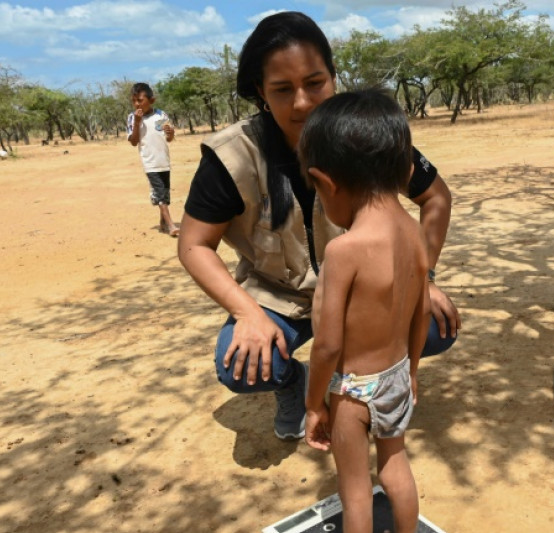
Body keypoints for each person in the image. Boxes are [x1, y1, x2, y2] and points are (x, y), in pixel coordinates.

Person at [177, 11, 460, 441]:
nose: (304, 102)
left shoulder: (368, 136)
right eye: (282, 90)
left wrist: (423, 275)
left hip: (359, 290)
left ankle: (353, 389)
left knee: (436, 327)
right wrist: (247, 313)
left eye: (315, 83)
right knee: (240, 365)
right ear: (261, 93)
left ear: (333, 76)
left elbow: (435, 196)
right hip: (277, 296)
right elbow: (194, 245)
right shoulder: (232, 157)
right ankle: (296, 383)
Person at [300, 90, 427, 533]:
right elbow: (422, 312)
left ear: (326, 182)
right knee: (395, 464)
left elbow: (329, 344)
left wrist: (314, 403)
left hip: (353, 390)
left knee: (355, 491)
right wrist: (410, 369)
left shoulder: (344, 250)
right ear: (405, 170)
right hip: (395, 376)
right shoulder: (414, 231)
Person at [127, 82, 179, 237]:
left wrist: (170, 133)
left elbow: (168, 138)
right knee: (159, 192)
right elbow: (133, 141)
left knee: (165, 192)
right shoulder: (132, 118)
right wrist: (137, 123)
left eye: (140, 100)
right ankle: (171, 225)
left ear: (152, 100)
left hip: (164, 160)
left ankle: (163, 222)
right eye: (134, 101)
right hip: (149, 161)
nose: (137, 104)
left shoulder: (160, 115)